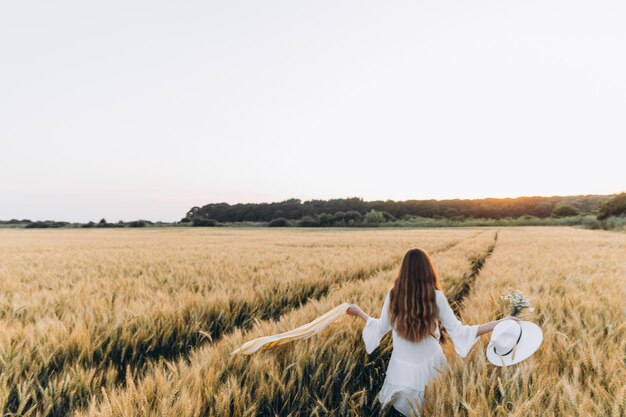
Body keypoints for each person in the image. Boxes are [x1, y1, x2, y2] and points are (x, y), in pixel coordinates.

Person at [346, 248, 518, 416]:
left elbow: (380, 328)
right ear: (427, 269)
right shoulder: (436, 296)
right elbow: (459, 332)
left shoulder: (393, 295)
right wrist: (499, 322)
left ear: (404, 269)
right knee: (431, 409)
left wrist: (359, 312)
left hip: (402, 368)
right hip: (431, 364)